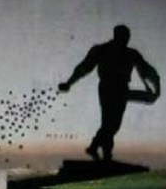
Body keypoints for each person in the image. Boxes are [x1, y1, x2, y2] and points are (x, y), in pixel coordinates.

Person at [58, 24, 160, 162]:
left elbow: (148, 71)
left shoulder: (130, 54)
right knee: (110, 122)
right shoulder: (102, 50)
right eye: (124, 36)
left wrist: (157, 88)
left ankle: (101, 150)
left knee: (113, 123)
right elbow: (84, 68)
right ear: (117, 35)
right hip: (108, 87)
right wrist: (69, 83)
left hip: (121, 89)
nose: (126, 39)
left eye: (127, 37)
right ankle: (99, 150)